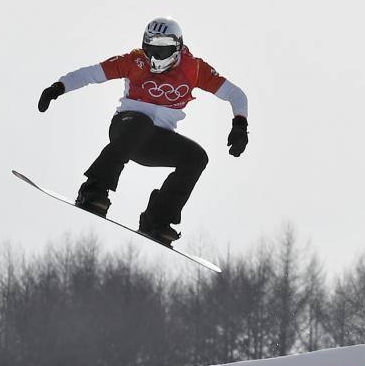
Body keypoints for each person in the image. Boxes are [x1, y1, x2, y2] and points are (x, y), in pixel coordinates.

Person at [37, 17, 249, 246]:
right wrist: (58, 88)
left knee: (197, 157)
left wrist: (240, 124)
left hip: (156, 142)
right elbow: (90, 74)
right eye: (151, 50)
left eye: (163, 50)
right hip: (125, 128)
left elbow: (236, 94)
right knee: (142, 124)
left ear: (177, 48)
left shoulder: (194, 69)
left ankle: (156, 220)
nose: (155, 58)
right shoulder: (134, 61)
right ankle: (94, 189)